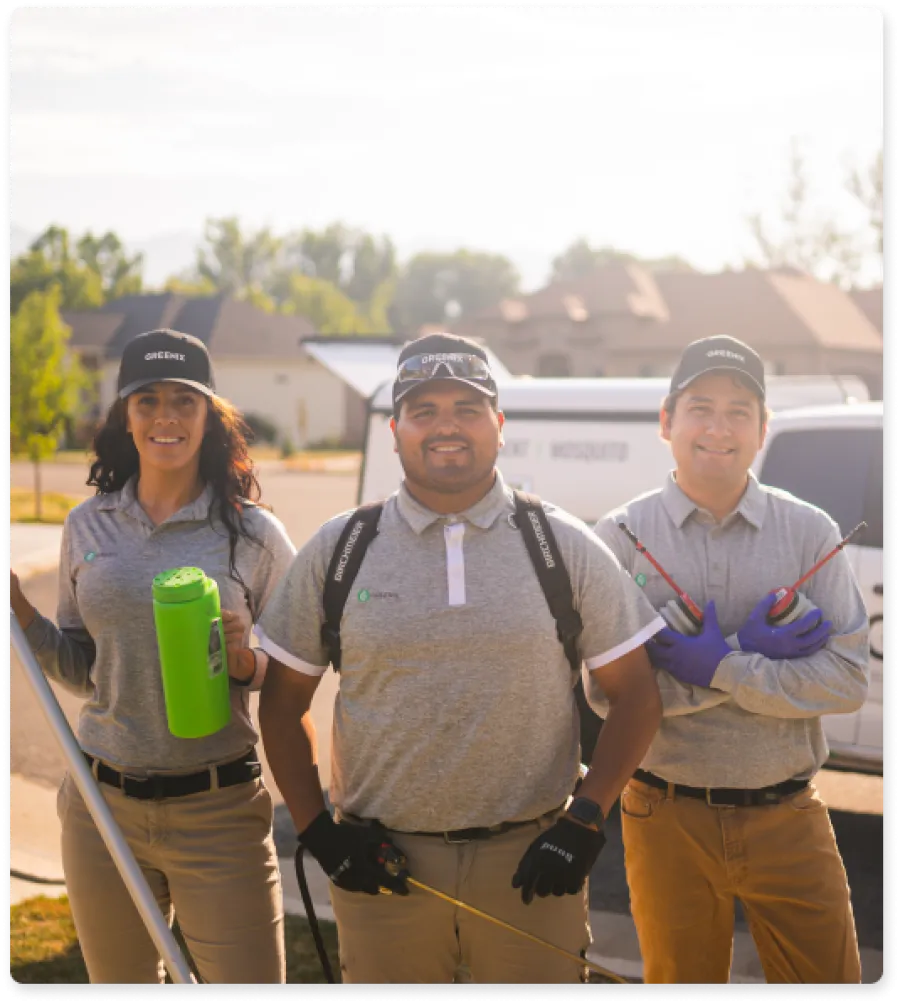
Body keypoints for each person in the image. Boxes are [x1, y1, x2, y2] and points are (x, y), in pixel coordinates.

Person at [256, 332, 665, 985]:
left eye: (467, 409)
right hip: (383, 867)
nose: (446, 426)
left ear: (499, 426)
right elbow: (281, 705)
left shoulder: (561, 543)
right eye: (424, 411)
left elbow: (637, 696)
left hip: (531, 862)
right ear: (395, 430)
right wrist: (318, 831)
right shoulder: (340, 549)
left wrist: (586, 818)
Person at [10, 328, 296, 984]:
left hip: (218, 809)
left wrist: (247, 662)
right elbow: (87, 668)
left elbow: (300, 668)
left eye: (184, 401)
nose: (166, 415)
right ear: (125, 417)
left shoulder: (253, 533)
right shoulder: (89, 525)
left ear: (210, 417)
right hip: (99, 806)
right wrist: (22, 613)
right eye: (148, 400)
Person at [589, 334, 869, 985]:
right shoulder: (620, 540)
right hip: (664, 817)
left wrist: (721, 665)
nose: (719, 427)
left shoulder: (810, 532)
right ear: (667, 421)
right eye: (701, 407)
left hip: (790, 813)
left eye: (740, 411)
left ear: (763, 428)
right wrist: (749, 660)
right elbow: (606, 697)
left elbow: (849, 680)